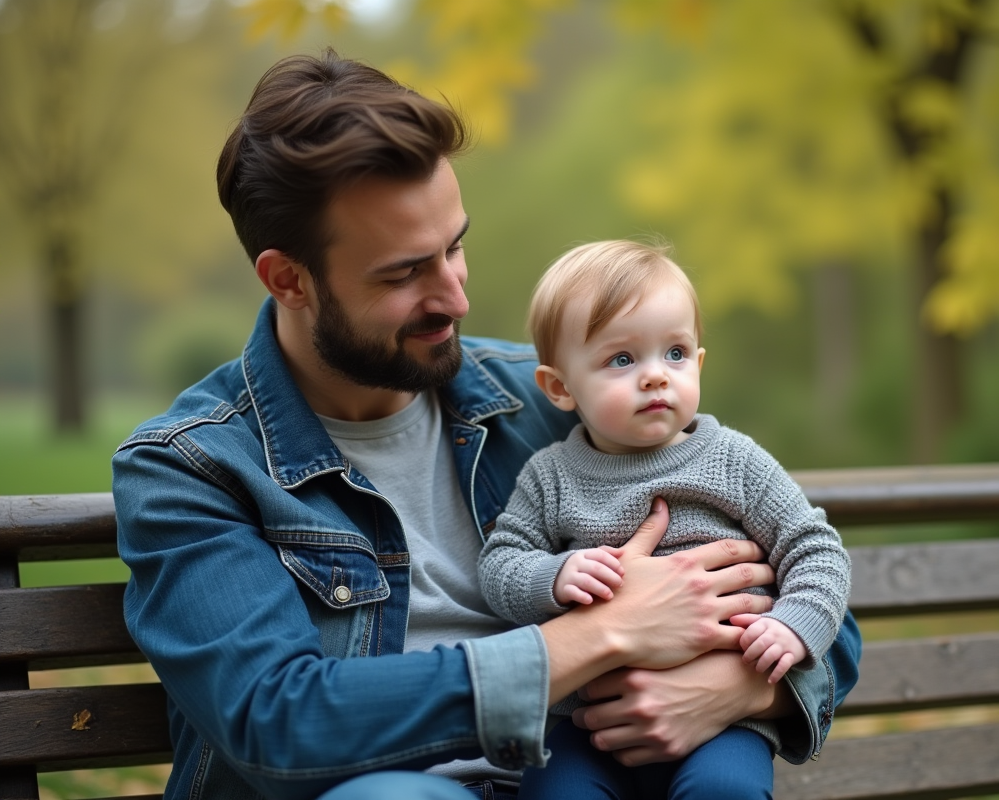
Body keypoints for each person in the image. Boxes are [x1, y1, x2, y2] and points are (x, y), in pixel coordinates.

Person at [112, 50, 862, 800]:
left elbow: (818, 607)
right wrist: (602, 633)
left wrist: (734, 690)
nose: (455, 297)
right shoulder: (193, 468)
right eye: (405, 273)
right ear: (289, 279)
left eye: (456, 247)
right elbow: (280, 723)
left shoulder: (553, 400)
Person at [477, 240, 851, 799]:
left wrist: (795, 624)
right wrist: (552, 577)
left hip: (722, 720)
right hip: (588, 724)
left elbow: (815, 548)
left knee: (725, 792)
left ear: (698, 362)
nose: (655, 376)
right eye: (621, 360)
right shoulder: (550, 477)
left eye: (674, 353)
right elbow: (500, 563)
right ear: (559, 387)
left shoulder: (735, 461)